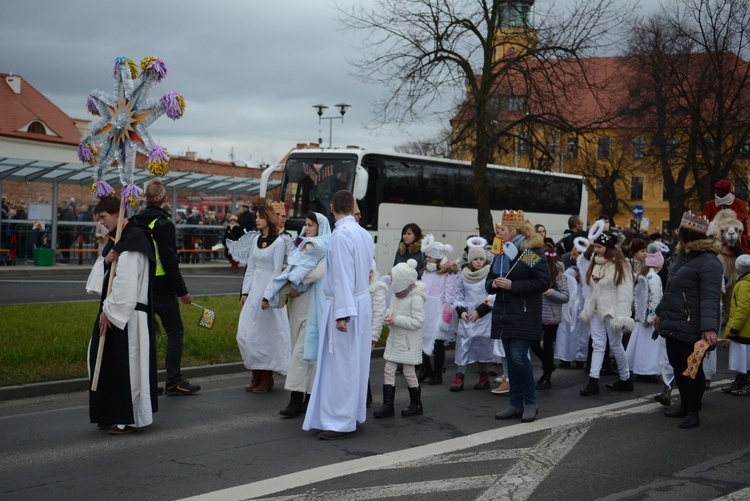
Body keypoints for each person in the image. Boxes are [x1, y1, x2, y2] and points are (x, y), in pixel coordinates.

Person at [303, 190, 374, 440]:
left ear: (332, 208)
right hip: (360, 302)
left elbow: (342, 275)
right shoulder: (362, 232)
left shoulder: (341, 235)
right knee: (355, 362)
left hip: (347, 306)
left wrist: (342, 315)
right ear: (352, 206)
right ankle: (352, 414)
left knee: (341, 365)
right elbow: (368, 270)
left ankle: (339, 422)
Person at [87, 194, 158, 435]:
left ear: (117, 214)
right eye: (98, 219)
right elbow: (98, 280)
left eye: (104, 217)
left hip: (127, 314)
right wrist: (106, 261)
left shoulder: (133, 239)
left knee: (128, 367)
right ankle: (108, 412)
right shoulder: (116, 240)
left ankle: (127, 417)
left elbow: (126, 283)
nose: (101, 223)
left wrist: (109, 311)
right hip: (114, 310)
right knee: (106, 363)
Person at [131, 180, 200, 396]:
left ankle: (148, 384)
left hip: (141, 284)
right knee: (175, 331)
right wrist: (182, 290)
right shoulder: (164, 224)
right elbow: (170, 261)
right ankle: (173, 380)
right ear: (163, 198)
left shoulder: (135, 221)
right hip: (161, 285)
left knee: (147, 334)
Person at [655, 211, 722, 428]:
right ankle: (684, 405)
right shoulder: (681, 256)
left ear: (688, 236)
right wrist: (659, 312)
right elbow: (671, 289)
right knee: (677, 365)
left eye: (680, 232)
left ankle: (694, 411)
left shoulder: (709, 262)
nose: (677, 236)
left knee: (691, 370)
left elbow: (710, 297)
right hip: (674, 323)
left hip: (693, 327)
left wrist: (709, 328)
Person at [264, 212, 331, 418]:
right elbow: (293, 265)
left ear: (320, 227)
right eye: (306, 224)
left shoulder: (325, 246)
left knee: (304, 352)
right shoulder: (303, 245)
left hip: (313, 303)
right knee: (299, 349)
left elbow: (319, 273)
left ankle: (297, 399)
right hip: (298, 303)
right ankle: (305, 399)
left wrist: (297, 282)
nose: (307, 228)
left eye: (311, 225)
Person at [488, 210, 550, 423]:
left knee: (518, 357)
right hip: (505, 313)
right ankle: (515, 404)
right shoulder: (501, 253)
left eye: (503, 229)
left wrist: (514, 285)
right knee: (511, 362)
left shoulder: (529, 253)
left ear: (513, 231)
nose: (500, 233)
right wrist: (494, 284)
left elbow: (543, 282)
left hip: (524, 313)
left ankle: (530, 402)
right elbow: (489, 279)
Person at [237, 205, 291, 394]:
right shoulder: (256, 240)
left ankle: (265, 378)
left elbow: (277, 272)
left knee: (266, 336)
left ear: (268, 219)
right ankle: (256, 373)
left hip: (269, 292)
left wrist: (268, 295)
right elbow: (251, 267)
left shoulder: (279, 243)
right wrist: (245, 292)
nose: (256, 220)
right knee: (246, 334)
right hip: (254, 293)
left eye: (260, 217)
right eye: (256, 217)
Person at [579, 230, 634, 397]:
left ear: (609, 247)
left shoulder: (621, 265)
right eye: (595, 246)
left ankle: (626, 379)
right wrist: (588, 308)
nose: (596, 250)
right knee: (598, 345)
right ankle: (593, 381)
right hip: (596, 311)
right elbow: (591, 290)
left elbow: (625, 292)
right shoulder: (595, 264)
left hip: (612, 312)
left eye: (599, 246)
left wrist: (622, 316)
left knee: (616, 345)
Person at [373, 259, 426, 418]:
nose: (390, 280)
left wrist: (396, 320)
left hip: (409, 343)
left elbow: (419, 321)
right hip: (395, 339)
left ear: (401, 280)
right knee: (389, 369)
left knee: (409, 371)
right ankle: (388, 405)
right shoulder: (397, 295)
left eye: (392, 277)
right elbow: (392, 310)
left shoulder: (415, 298)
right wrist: (388, 317)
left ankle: (416, 404)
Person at [449, 237, 498, 392]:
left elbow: (493, 295)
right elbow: (458, 295)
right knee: (464, 345)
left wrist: (481, 310)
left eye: (481, 259)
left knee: (482, 346)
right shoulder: (463, 275)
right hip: (468, 316)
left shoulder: (490, 274)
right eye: (475, 259)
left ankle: (484, 378)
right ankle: (459, 377)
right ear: (470, 260)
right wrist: (461, 311)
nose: (478, 262)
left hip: (484, 315)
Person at [419, 234, 458, 385]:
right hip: (426, 310)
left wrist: (445, 317)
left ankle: (437, 373)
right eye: (427, 256)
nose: (427, 259)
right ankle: (426, 368)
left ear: (438, 257)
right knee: (423, 341)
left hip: (440, 312)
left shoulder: (447, 272)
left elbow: (450, 296)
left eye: (430, 257)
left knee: (438, 344)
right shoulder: (428, 270)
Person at [530, 243, 570, 390]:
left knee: (547, 345)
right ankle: (549, 364)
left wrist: (549, 292)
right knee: (532, 342)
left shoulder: (558, 273)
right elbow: (523, 261)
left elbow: (566, 296)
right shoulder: (533, 269)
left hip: (551, 316)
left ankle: (547, 376)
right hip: (535, 313)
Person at [624, 243, 664, 383]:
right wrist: (652, 317)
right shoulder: (654, 277)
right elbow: (655, 299)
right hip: (649, 320)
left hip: (641, 317)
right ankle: (647, 371)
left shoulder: (644, 274)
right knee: (649, 348)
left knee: (640, 346)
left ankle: (639, 368)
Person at [722, 254, 750, 396]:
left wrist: (734, 328)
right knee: (742, 360)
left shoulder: (744, 284)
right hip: (745, 330)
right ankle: (740, 382)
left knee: (744, 360)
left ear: (738, 269)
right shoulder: (744, 282)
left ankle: (746, 384)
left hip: (743, 331)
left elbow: (742, 309)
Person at [702, 179, 749, 254]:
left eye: (719, 189)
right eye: (716, 189)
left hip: (734, 238)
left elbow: (739, 220)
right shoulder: (710, 204)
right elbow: (705, 221)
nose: (717, 191)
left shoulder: (738, 203)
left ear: (725, 191)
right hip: (714, 239)